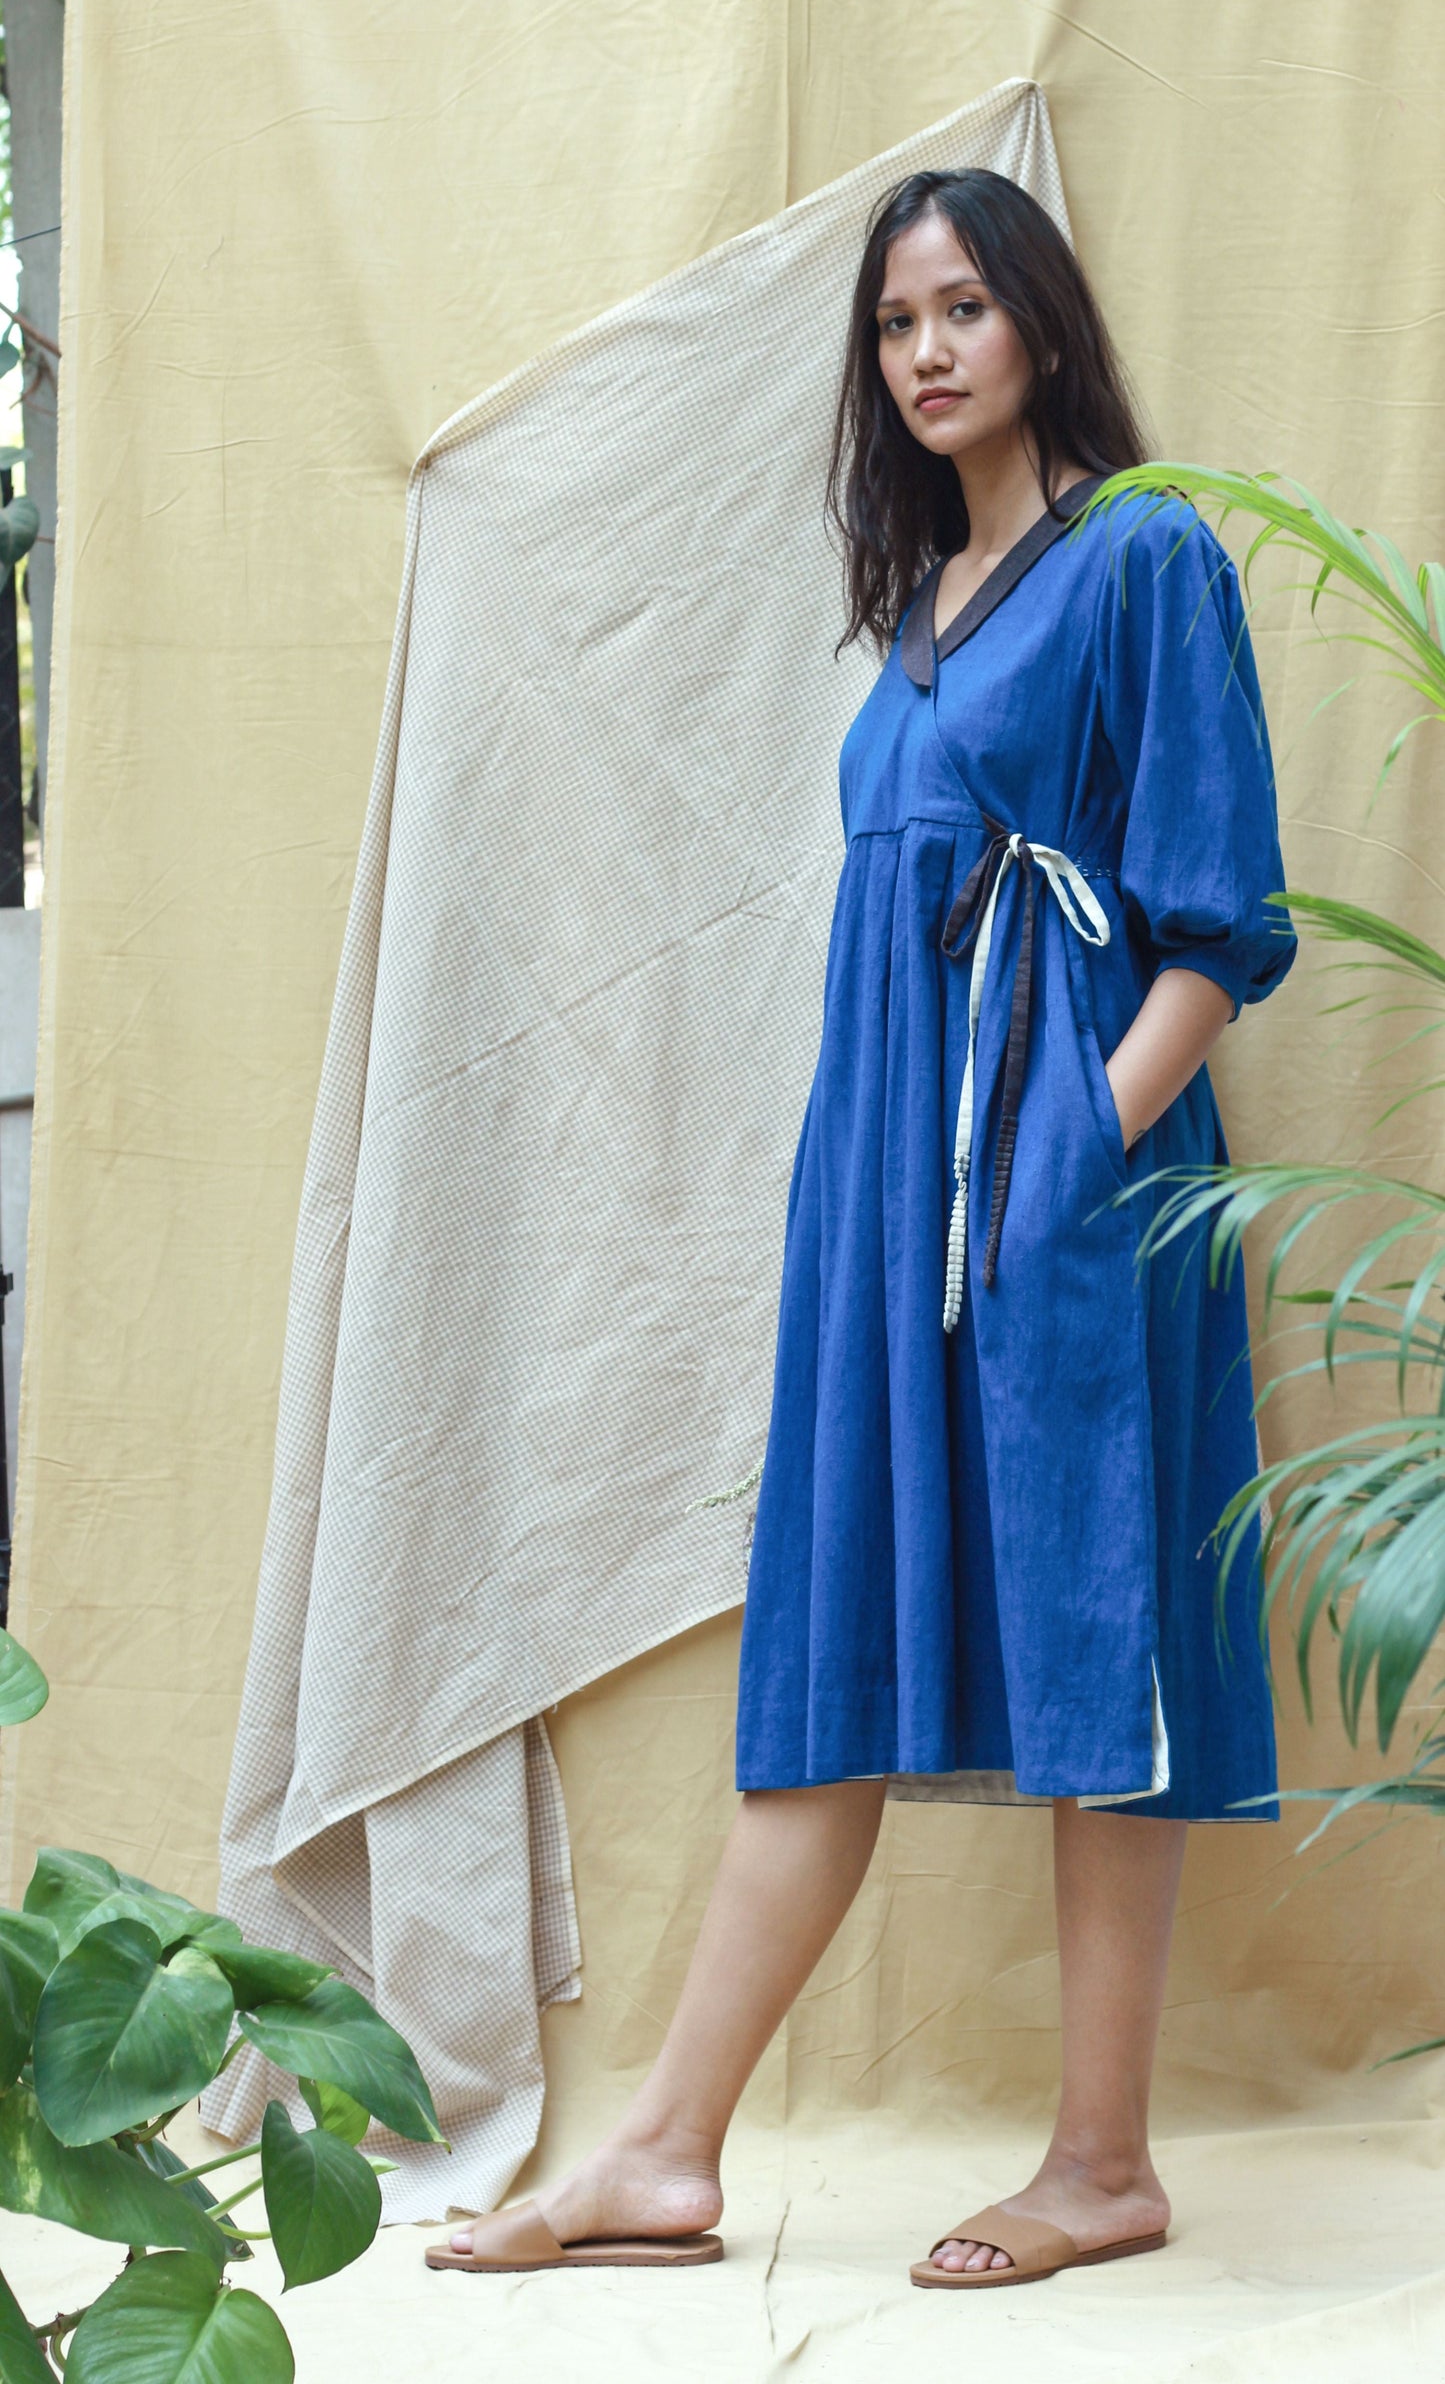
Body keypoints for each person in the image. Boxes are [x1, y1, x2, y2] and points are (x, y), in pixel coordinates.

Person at [427, 167, 1297, 2291]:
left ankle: (1100, 2163)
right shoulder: (918, 601)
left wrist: (1077, 1146)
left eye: (962, 307)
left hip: (1065, 1184)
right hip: (890, 1197)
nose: (924, 350)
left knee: (1096, 1621)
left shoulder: (1142, 553)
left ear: (1041, 324)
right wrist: (888, 1194)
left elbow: (1218, 919)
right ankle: (665, 2149)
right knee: (835, 1630)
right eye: (895, 321)